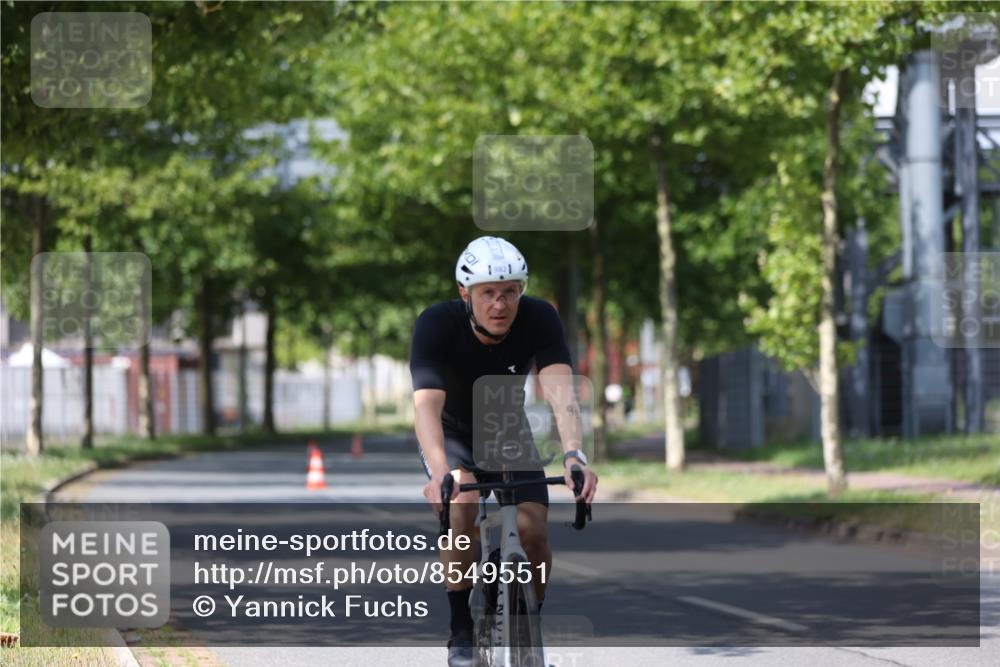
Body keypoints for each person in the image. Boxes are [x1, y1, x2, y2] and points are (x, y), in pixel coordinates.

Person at [409, 235, 598, 667]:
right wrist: (441, 473)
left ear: (521, 291)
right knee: (465, 502)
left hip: (504, 428)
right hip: (451, 430)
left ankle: (525, 625)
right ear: (466, 294)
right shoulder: (436, 323)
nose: (500, 303)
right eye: (488, 293)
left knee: (534, 532)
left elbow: (559, 391)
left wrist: (574, 455)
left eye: (510, 291)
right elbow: (426, 406)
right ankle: (461, 631)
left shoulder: (539, 317)